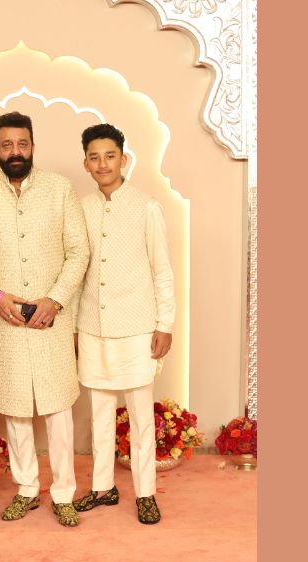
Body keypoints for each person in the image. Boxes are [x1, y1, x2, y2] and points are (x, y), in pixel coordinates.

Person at [0, 112, 89, 527]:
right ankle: (28, 488)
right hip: (4, 319)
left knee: (58, 407)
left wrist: (56, 299)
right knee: (15, 409)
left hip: (51, 318)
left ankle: (64, 493)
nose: (16, 151)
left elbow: (79, 252)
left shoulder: (59, 189)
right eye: (7, 145)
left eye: (23, 144)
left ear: (33, 146)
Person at [72, 123, 175, 524]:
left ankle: (145, 492)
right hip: (92, 325)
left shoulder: (146, 206)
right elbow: (77, 270)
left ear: (124, 159)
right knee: (98, 413)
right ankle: (103, 487)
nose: (103, 164)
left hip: (137, 328)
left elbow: (162, 270)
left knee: (140, 416)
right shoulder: (81, 208)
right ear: (86, 163)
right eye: (94, 157)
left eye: (110, 156)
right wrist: (74, 327)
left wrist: (165, 324)